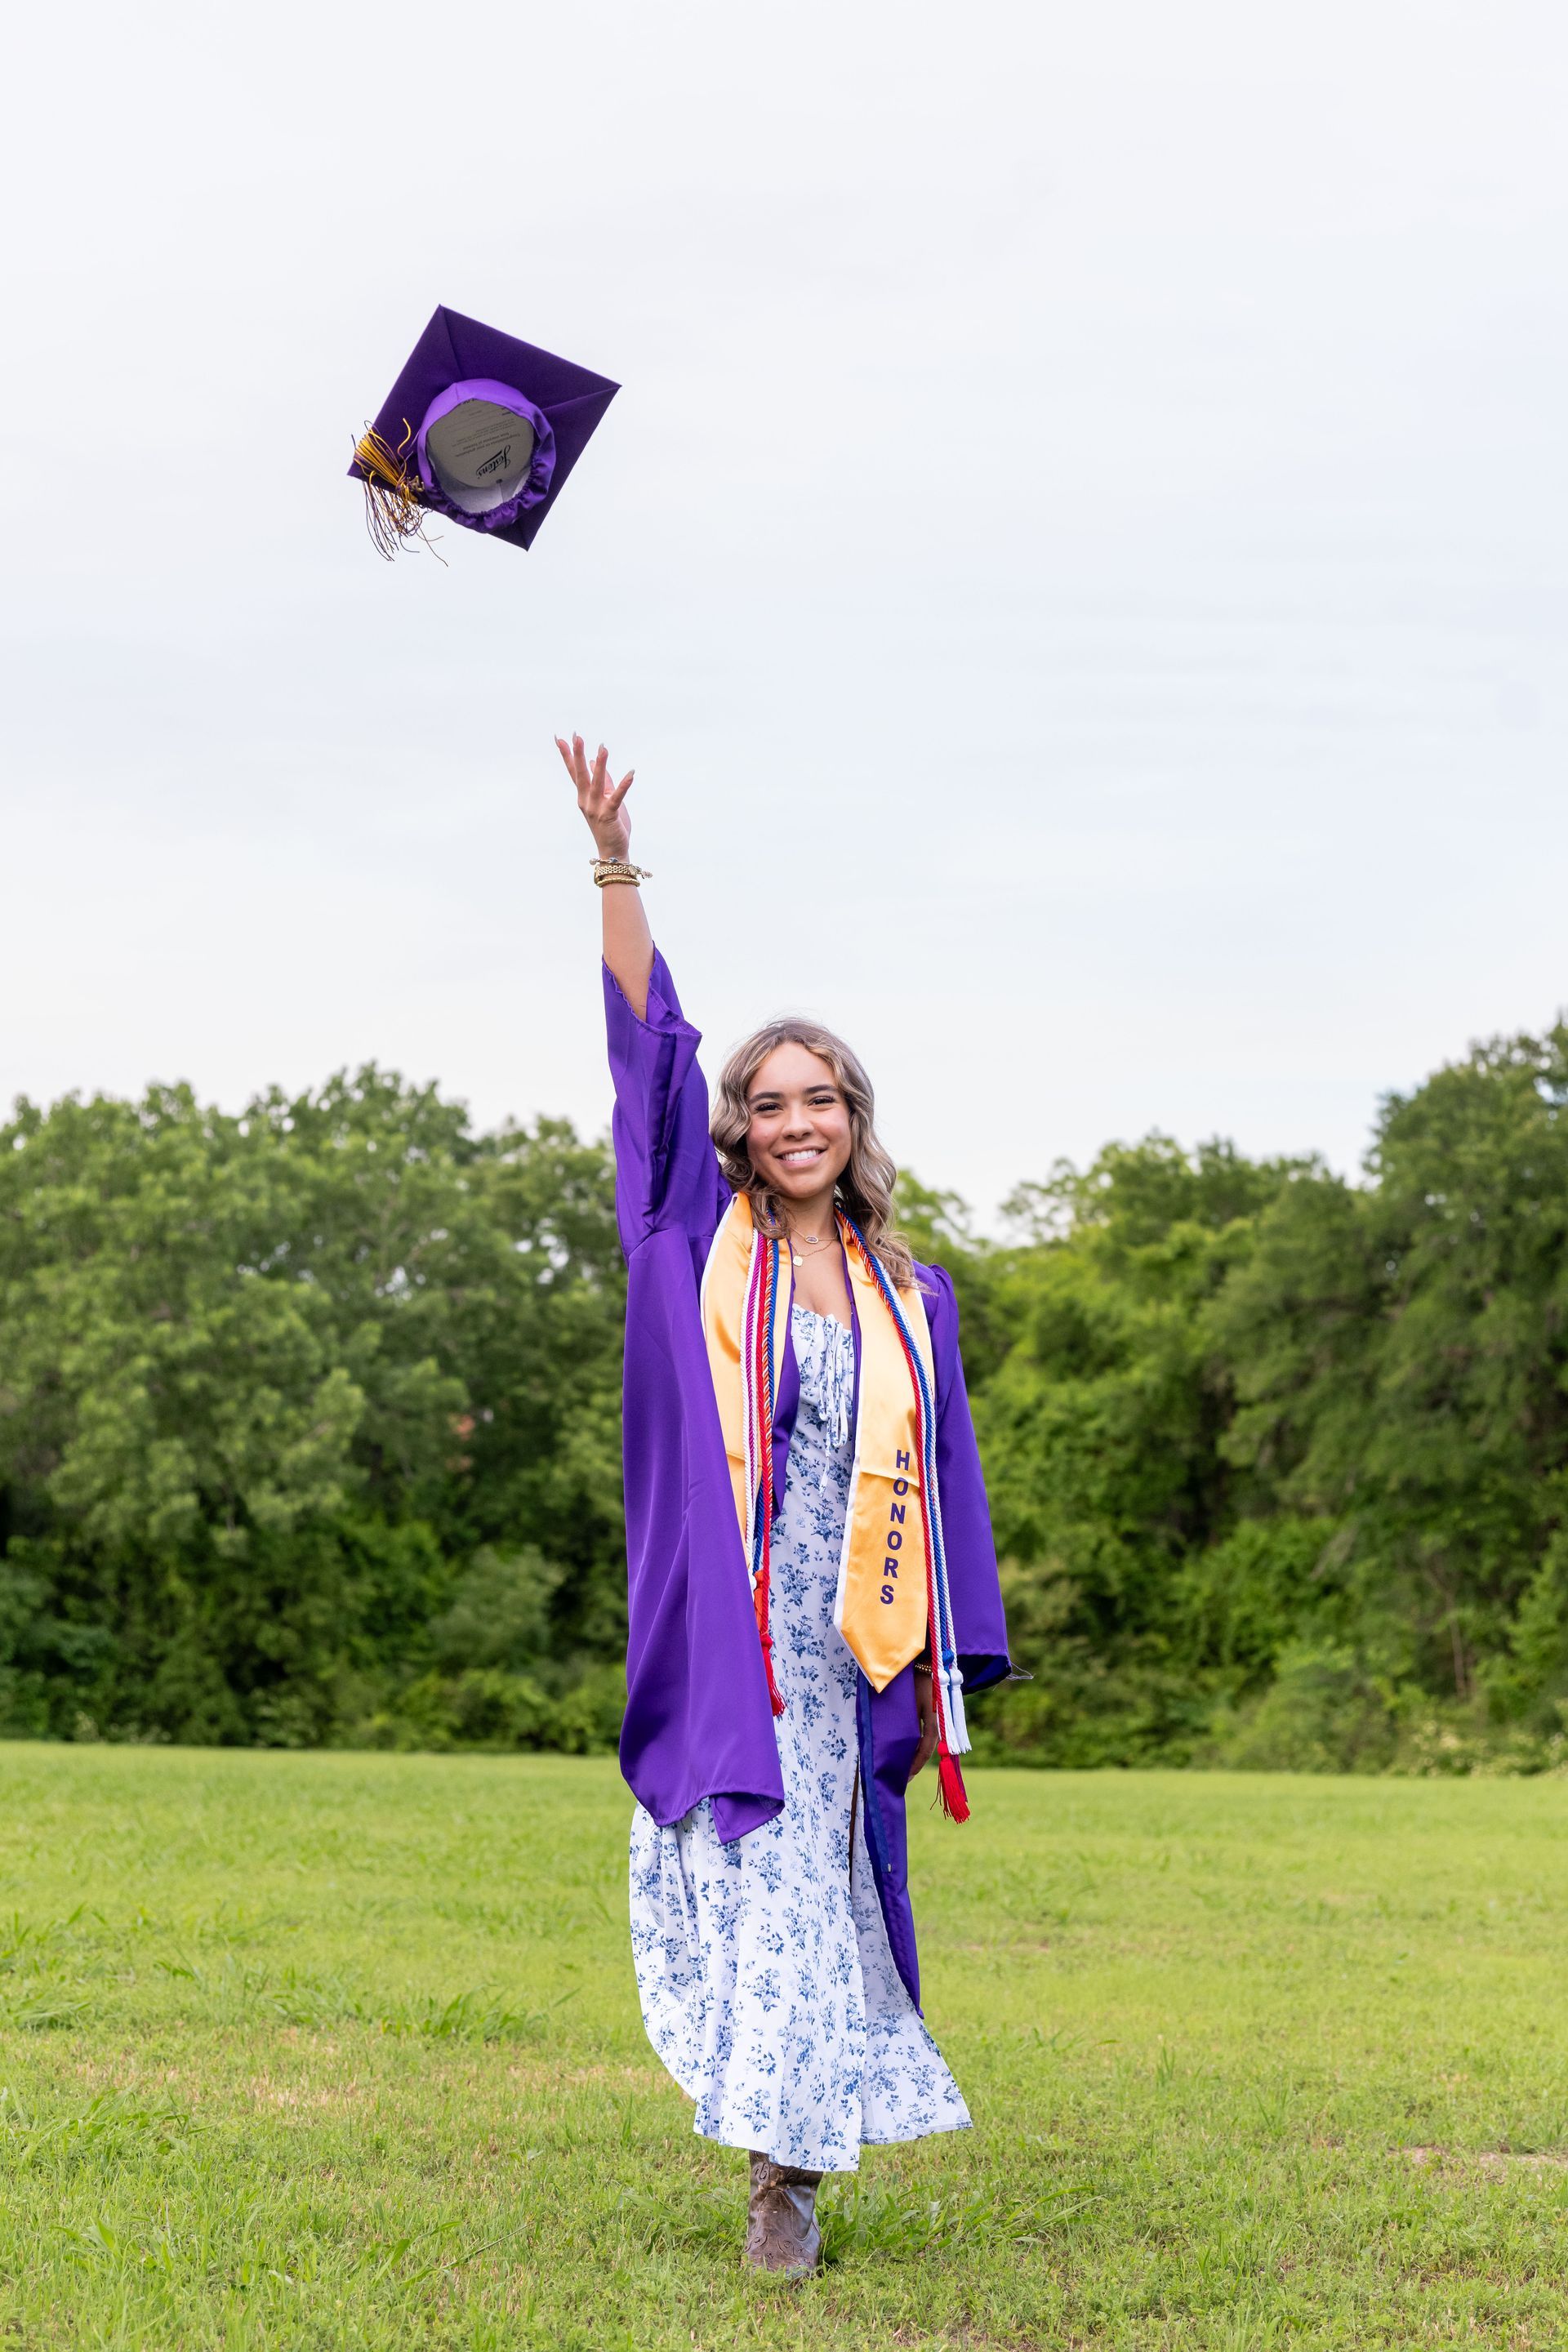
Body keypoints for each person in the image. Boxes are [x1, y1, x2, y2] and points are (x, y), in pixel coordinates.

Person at [557, 733, 1011, 2277]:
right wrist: (616, 867)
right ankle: (779, 2166)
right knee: (750, 1889)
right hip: (734, 1625)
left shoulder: (909, 1293)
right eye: (769, 1101)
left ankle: (789, 2170)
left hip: (852, 1636)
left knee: (817, 1900)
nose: (795, 1122)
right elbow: (645, 1050)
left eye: (821, 1099)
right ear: (740, 1128)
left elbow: (947, 1480)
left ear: (853, 1119)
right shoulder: (693, 1240)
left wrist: (947, 1666)